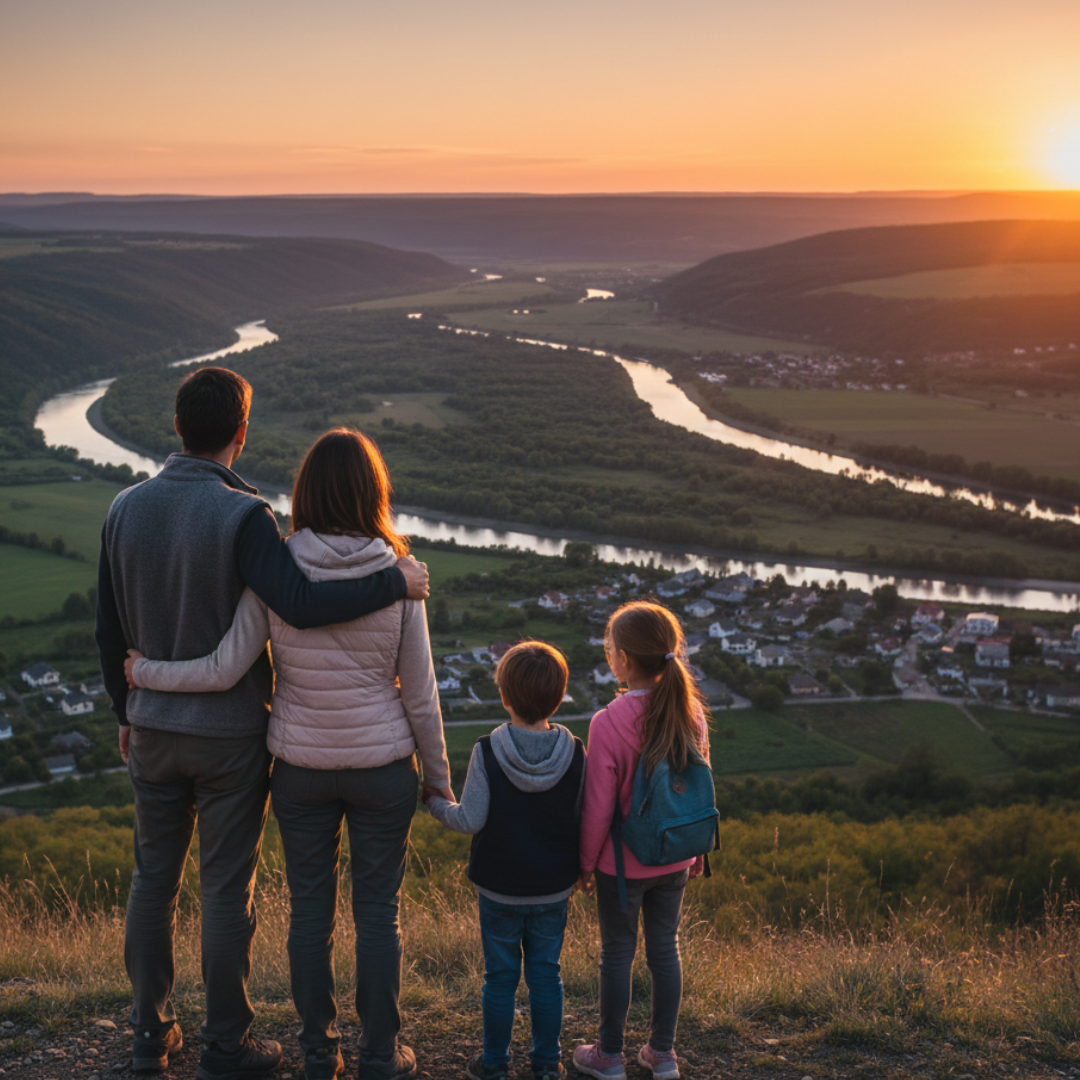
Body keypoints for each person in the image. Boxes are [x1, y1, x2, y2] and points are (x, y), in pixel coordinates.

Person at [96, 368, 430, 1080]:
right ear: (240, 434)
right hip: (228, 738)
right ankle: (225, 1047)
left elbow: (108, 626)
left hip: (152, 726)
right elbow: (300, 606)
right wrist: (394, 583)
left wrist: (127, 710)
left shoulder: (123, 507)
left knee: (151, 882)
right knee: (224, 889)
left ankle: (149, 1041)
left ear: (177, 425)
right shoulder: (245, 515)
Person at [425, 641, 584, 1080]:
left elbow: (471, 819)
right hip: (553, 887)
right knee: (546, 977)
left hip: (499, 888)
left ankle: (494, 1065)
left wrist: (437, 804)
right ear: (559, 696)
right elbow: (585, 821)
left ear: (504, 697)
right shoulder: (576, 754)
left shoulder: (488, 751)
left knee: (500, 979)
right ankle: (547, 1066)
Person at [572, 602, 710, 1080]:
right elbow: (695, 789)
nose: (608, 655)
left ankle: (609, 1056)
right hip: (675, 857)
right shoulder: (690, 710)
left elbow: (598, 807)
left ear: (624, 660)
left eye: (610, 648)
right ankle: (663, 1054)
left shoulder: (607, 722)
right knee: (664, 950)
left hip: (621, 867)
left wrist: (585, 864)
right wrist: (695, 851)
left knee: (617, 953)